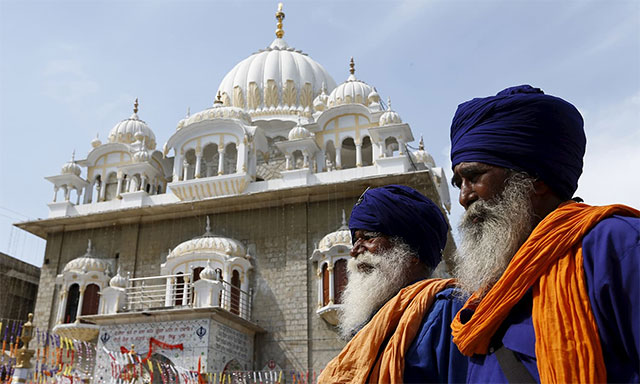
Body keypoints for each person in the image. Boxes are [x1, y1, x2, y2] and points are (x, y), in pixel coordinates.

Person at [448, 84, 640, 383]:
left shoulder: (617, 247)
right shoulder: (486, 296)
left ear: (535, 179)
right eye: (458, 183)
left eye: (473, 177)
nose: (463, 197)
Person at [319, 184, 467, 384]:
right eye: (355, 241)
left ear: (412, 252)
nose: (354, 251)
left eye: (368, 238)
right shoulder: (372, 325)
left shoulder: (447, 311)